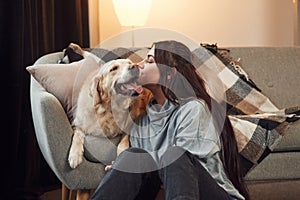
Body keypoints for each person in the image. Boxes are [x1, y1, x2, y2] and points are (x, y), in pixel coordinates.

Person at [91, 40, 249, 200]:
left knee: (174, 155)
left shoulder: (193, 109)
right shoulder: (142, 121)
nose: (139, 64)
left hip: (210, 195)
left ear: (169, 73)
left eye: (149, 61)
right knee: (132, 156)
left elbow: (182, 175)